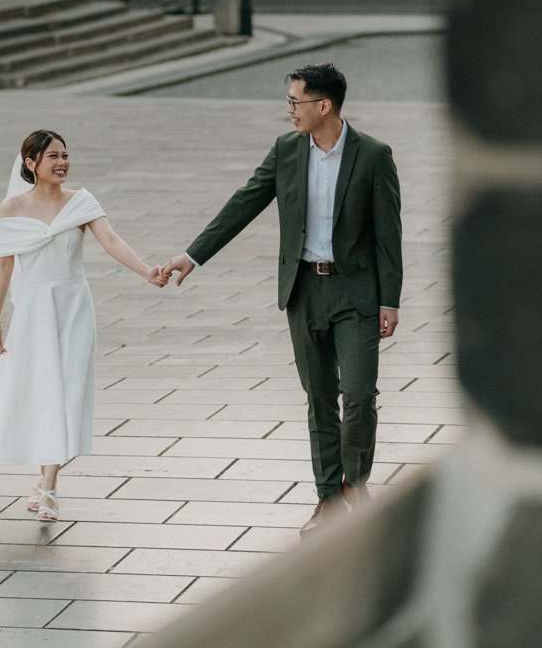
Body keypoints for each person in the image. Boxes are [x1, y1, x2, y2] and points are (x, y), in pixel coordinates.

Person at [161, 64, 402, 537]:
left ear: (324, 105)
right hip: (303, 290)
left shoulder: (373, 155)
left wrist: (389, 300)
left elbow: (388, 233)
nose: (289, 109)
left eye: (296, 101)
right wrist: (192, 256)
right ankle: (328, 498)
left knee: (358, 395)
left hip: (356, 293)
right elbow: (244, 202)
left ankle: (355, 485)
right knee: (319, 398)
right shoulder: (286, 150)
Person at [0, 128, 165, 523]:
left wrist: (146, 271)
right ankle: (44, 481)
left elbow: (111, 240)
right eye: (53, 156)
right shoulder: (11, 208)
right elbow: (4, 264)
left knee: (67, 391)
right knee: (41, 390)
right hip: (34, 310)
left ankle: (49, 485)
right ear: (31, 163)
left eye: (65, 155)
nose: (62, 163)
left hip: (74, 307)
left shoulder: (81, 202)